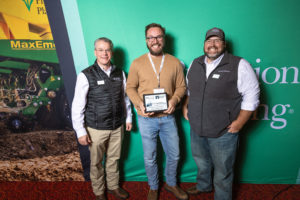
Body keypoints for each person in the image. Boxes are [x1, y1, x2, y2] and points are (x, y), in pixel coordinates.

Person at [182, 27, 260, 200]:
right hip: (197, 127)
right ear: (204, 44)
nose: (212, 44)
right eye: (209, 41)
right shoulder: (196, 63)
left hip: (223, 131)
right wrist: (185, 107)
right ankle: (203, 186)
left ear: (224, 44)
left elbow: (252, 95)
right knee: (201, 161)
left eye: (217, 41)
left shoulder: (239, 64)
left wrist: (240, 122)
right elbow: (190, 90)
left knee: (223, 170)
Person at [126, 23, 187, 200]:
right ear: (146, 40)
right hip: (146, 119)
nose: (155, 41)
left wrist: (174, 100)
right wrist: (139, 104)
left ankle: (171, 184)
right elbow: (130, 88)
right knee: (150, 157)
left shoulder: (175, 62)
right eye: (151, 37)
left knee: (175, 154)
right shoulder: (137, 63)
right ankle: (153, 186)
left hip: (168, 118)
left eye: (158, 37)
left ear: (164, 39)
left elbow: (181, 87)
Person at [71, 37, 132, 200]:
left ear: (111, 52)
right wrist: (80, 131)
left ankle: (113, 187)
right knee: (96, 163)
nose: (104, 53)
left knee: (114, 159)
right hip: (96, 128)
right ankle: (99, 192)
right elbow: (77, 106)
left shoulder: (120, 73)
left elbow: (125, 98)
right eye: (100, 50)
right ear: (95, 52)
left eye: (107, 50)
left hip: (117, 125)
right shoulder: (86, 75)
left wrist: (128, 119)